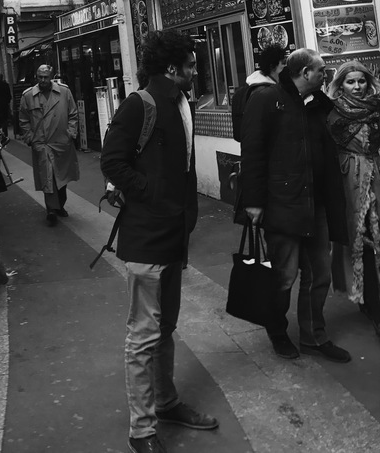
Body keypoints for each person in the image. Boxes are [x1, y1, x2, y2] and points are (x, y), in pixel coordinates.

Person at [101, 30, 218, 453]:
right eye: (190, 64)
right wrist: (153, 194)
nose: (195, 70)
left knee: (165, 327)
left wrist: (181, 215)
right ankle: (142, 430)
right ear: (172, 68)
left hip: (173, 237)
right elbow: (111, 160)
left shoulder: (182, 102)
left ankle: (166, 402)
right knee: (143, 336)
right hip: (147, 237)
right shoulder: (140, 104)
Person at [240, 48, 350, 362]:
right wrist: (254, 202)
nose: (325, 75)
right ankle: (277, 332)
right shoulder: (266, 99)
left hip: (316, 204)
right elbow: (253, 151)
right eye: (321, 70)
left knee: (319, 274)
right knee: (284, 276)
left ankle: (314, 336)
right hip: (281, 205)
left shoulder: (319, 105)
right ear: (304, 73)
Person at [327, 61, 380, 337]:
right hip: (349, 181)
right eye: (351, 82)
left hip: (377, 177)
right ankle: (371, 300)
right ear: (341, 84)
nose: (357, 87)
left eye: (361, 81)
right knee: (360, 239)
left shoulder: (376, 107)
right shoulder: (332, 112)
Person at [18, 64, 80, 226]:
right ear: (36, 77)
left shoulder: (64, 92)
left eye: (46, 77)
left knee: (61, 177)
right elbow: (23, 119)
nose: (43, 80)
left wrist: (71, 133)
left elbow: (73, 114)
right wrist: (30, 137)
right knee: (48, 177)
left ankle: (60, 205)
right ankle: (51, 209)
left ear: (51, 76)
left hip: (62, 143)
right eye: (40, 77)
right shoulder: (28, 96)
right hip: (42, 144)